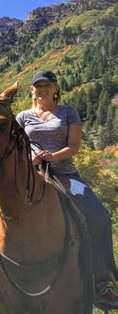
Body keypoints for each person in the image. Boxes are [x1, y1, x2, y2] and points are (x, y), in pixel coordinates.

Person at [16, 70, 117, 307]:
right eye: (37, 86)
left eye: (46, 85)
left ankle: (103, 281)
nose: (42, 89)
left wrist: (51, 156)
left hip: (65, 174)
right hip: (30, 175)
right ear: (32, 90)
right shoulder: (22, 117)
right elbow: (19, 146)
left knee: (100, 217)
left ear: (55, 89)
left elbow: (73, 146)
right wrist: (32, 155)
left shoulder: (68, 112)